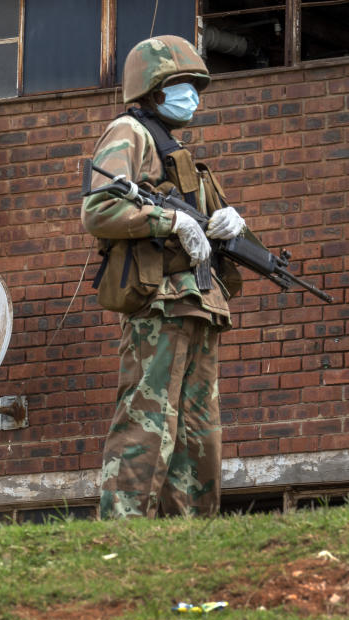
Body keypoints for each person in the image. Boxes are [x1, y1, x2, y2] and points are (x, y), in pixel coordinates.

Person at [81, 35, 247, 520]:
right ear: (153, 89)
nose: (192, 95)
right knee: (148, 418)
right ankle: (123, 529)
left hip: (200, 302)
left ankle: (189, 538)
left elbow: (213, 230)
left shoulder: (180, 153)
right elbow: (99, 207)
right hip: (159, 302)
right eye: (182, 84)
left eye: (197, 86)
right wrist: (169, 221)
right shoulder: (128, 132)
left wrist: (231, 225)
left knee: (199, 429)